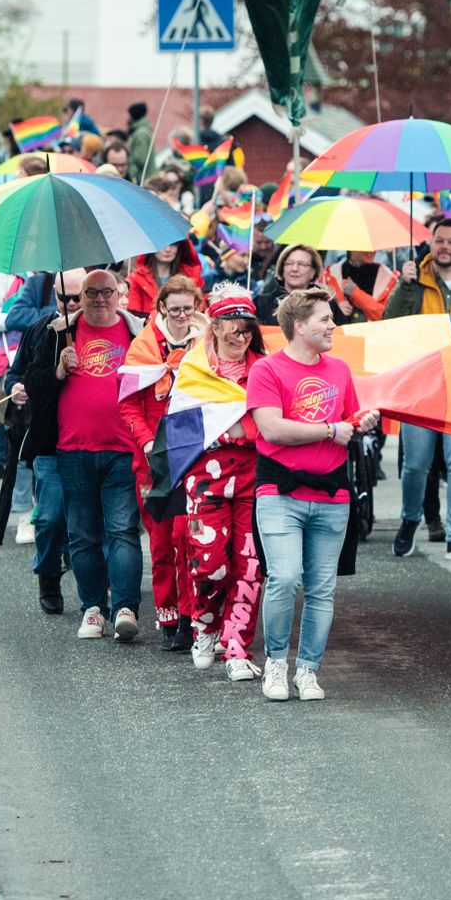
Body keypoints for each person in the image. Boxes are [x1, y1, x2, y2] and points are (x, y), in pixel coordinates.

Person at [249, 286, 379, 701]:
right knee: (284, 578)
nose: (332, 325)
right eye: (325, 319)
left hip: (333, 495)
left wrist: (364, 420)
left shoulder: (339, 370)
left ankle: (307, 670)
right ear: (299, 325)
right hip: (279, 493)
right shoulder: (267, 370)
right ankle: (275, 665)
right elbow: (270, 428)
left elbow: (348, 420)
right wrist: (328, 430)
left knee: (322, 589)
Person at [13, 267, 146, 641]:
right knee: (83, 535)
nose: (99, 300)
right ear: (80, 297)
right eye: (91, 294)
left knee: (122, 531)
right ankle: (92, 609)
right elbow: (31, 384)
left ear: (120, 294)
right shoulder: (57, 333)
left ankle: (125, 607)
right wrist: (57, 369)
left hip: (123, 448)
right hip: (72, 450)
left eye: (107, 292)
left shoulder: (138, 332)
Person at [383, 218, 451, 561]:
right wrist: (403, 285)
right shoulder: (413, 285)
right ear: (431, 244)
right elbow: (389, 325)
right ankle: (410, 520)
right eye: (439, 241)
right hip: (420, 387)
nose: (445, 247)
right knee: (416, 464)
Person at [182, 286, 268, 680]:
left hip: (254, 478)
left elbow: (271, 421)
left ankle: (236, 647)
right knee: (210, 565)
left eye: (247, 328)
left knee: (250, 566)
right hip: (205, 481)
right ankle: (204, 628)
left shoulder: (265, 369)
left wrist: (240, 429)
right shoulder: (193, 367)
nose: (241, 336)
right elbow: (181, 430)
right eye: (233, 327)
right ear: (214, 326)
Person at [120, 275, 209, 648]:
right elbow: (128, 404)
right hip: (153, 459)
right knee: (160, 543)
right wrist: (146, 442)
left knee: (187, 538)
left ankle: (191, 618)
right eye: (175, 310)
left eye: (188, 309)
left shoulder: (206, 344)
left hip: (193, 451)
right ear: (161, 309)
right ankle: (168, 617)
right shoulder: (143, 347)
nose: (182, 316)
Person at [9, 271, 82, 610]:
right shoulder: (40, 330)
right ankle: (48, 576)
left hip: (91, 441)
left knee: (89, 522)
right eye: (63, 298)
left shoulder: (104, 330)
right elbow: (18, 372)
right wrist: (16, 388)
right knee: (51, 516)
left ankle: (98, 592)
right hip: (50, 441)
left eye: (77, 298)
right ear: (53, 296)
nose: (71, 305)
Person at [256, 242, 350, 329]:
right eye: (289, 263)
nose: (295, 268)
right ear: (282, 268)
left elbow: (341, 337)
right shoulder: (262, 303)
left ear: (313, 272)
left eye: (302, 264)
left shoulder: (327, 304)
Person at [123, 238, 203, 316]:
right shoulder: (136, 278)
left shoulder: (191, 276)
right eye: (162, 243)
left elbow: (199, 310)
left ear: (179, 247)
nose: (168, 249)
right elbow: (133, 315)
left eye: (173, 244)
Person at [326, 247, 397, 322]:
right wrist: (336, 310)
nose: (372, 251)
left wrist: (355, 294)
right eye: (365, 246)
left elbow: (387, 316)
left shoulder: (387, 276)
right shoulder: (330, 274)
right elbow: (319, 314)